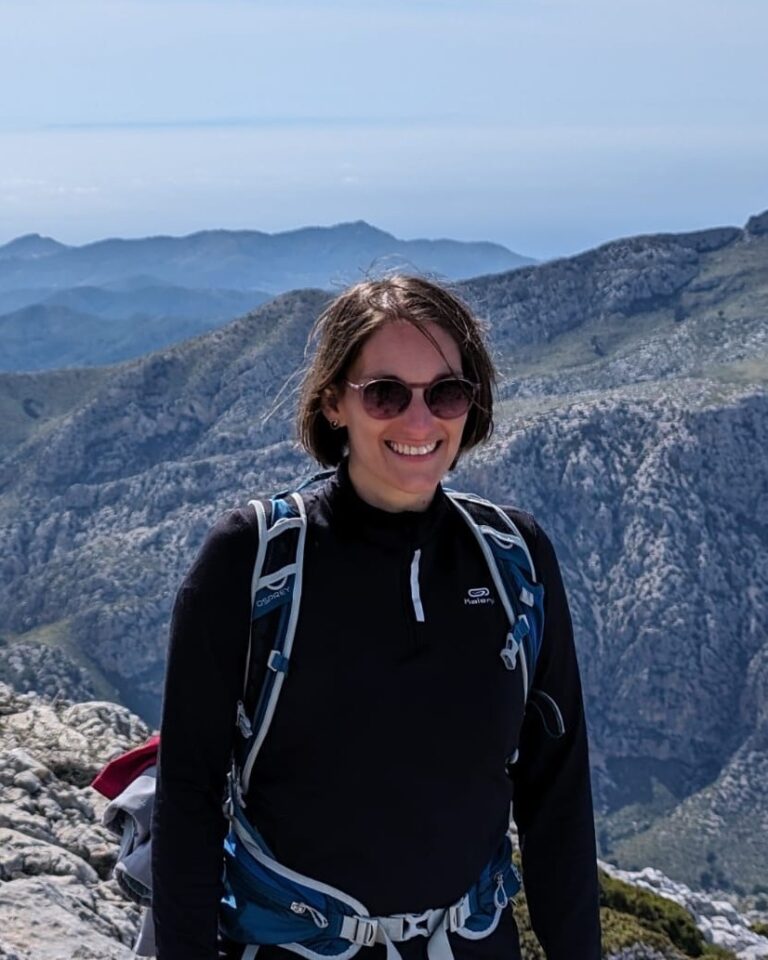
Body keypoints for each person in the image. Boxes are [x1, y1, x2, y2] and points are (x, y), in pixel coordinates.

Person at [151, 275, 601, 960]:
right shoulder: (253, 558)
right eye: (386, 393)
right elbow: (189, 793)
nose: (419, 422)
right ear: (334, 401)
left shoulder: (514, 557)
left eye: (446, 392)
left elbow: (557, 793)